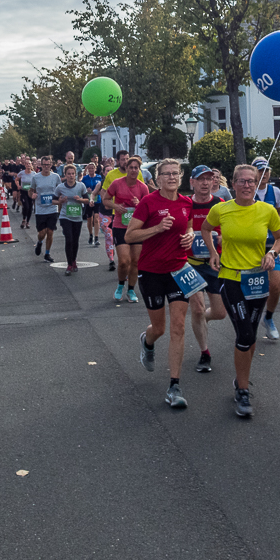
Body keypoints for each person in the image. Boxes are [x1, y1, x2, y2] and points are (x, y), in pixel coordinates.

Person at [201, 164, 280, 417]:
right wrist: (213, 252)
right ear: (234, 184)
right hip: (231, 277)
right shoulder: (221, 209)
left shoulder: (267, 210)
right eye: (242, 181)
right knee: (247, 336)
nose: (248, 185)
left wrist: (272, 253)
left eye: (252, 181)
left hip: (258, 280)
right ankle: (243, 390)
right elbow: (206, 228)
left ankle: (241, 380)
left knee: (247, 335)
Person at [125, 159, 196, 408]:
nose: (171, 177)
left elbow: (188, 228)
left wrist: (189, 237)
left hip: (178, 270)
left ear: (181, 176)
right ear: (158, 177)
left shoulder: (187, 203)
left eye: (175, 173)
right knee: (160, 328)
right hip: (151, 271)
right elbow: (130, 235)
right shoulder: (149, 203)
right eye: (166, 174)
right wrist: (155, 229)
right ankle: (147, 341)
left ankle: (174, 386)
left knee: (178, 327)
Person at [185, 165, 227, 374]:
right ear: (192, 182)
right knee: (197, 308)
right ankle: (205, 353)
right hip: (191, 263)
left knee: (220, 313)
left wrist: (221, 239)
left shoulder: (220, 204)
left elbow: (229, 230)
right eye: (201, 179)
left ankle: (203, 320)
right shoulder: (186, 205)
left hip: (215, 263)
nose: (205, 182)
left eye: (209, 179)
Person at [105, 155, 150, 303]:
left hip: (137, 227)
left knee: (135, 261)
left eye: (136, 168)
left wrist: (140, 203)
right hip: (120, 225)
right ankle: (120, 286)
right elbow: (105, 199)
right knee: (124, 261)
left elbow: (149, 209)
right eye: (130, 167)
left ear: (139, 170)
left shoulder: (143, 187)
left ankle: (131, 290)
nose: (133, 170)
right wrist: (115, 206)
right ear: (126, 168)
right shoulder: (117, 183)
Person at [252, 157, 280, 341]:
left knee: (275, 286)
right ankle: (249, 319)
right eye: (260, 170)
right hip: (251, 246)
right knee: (252, 286)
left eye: (266, 171)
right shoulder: (249, 190)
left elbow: (279, 209)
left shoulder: (275, 191)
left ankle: (269, 318)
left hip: (271, 245)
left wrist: (279, 221)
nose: (264, 174)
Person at [54, 164, 90, 272]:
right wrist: (60, 201)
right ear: (65, 175)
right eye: (68, 174)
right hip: (65, 216)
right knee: (68, 239)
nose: (71, 176)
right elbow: (52, 201)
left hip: (77, 217)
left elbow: (87, 200)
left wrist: (80, 200)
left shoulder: (81, 186)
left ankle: (74, 260)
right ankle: (69, 264)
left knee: (75, 240)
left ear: (75, 175)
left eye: (72, 174)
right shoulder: (60, 187)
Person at [30, 155, 62, 263]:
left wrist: (60, 200)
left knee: (50, 232)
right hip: (40, 209)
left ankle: (47, 253)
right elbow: (31, 190)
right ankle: (39, 242)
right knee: (42, 233)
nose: (46, 167)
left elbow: (59, 190)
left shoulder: (56, 177)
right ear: (41, 165)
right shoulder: (36, 177)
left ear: (51, 165)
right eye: (44, 165)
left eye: (48, 165)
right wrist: (32, 195)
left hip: (52, 209)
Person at [81, 161, 103, 246]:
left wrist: (97, 191)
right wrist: (87, 190)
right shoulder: (85, 178)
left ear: (95, 168)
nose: (91, 169)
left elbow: (102, 188)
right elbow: (82, 189)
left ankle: (96, 237)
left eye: (92, 168)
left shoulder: (99, 177)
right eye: (89, 168)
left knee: (96, 218)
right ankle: (91, 235)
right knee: (89, 219)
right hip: (88, 200)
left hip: (97, 200)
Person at [18, 159, 37, 229]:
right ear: (25, 165)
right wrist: (18, 185)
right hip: (24, 191)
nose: (28, 165)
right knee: (26, 206)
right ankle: (23, 219)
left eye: (29, 164)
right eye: (27, 164)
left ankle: (27, 222)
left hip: (31, 192)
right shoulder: (22, 173)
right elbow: (16, 179)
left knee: (30, 208)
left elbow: (36, 183)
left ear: (31, 165)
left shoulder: (34, 174)